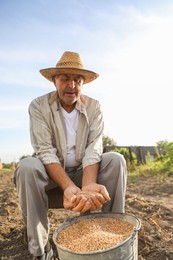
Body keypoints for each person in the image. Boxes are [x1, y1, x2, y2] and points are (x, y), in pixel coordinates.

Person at [13, 51, 127, 259]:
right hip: (50, 177)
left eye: (77, 79)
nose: (71, 85)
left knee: (116, 160)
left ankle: (113, 234)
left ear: (83, 83)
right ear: (54, 80)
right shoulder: (38, 106)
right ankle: (40, 250)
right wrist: (69, 187)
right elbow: (45, 151)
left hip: (83, 173)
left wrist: (89, 184)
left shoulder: (94, 107)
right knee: (28, 166)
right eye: (65, 78)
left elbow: (94, 148)